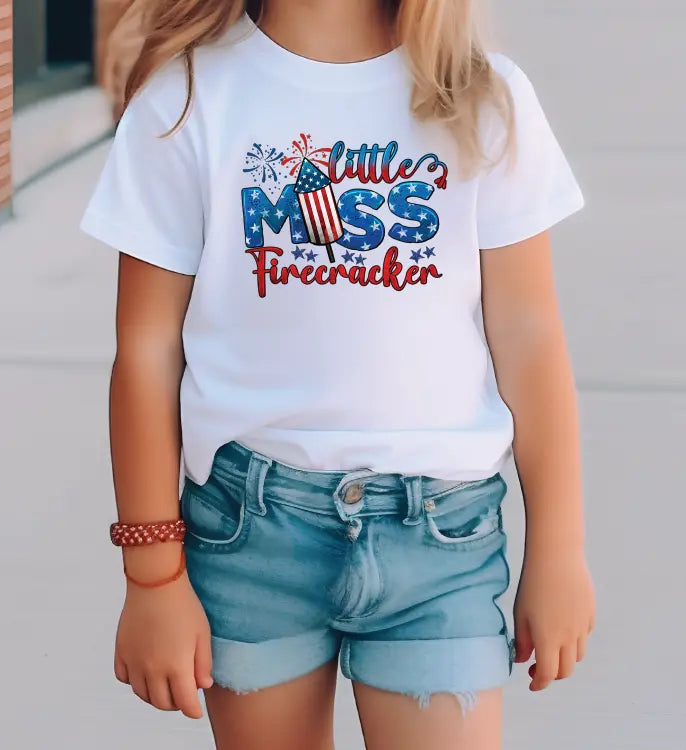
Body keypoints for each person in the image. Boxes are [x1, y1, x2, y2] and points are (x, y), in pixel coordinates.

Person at [81, 1, 595, 747]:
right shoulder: (187, 99)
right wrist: (152, 578)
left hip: (440, 542)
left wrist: (559, 551)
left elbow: (530, 336)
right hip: (250, 535)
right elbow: (146, 352)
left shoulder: (482, 97)